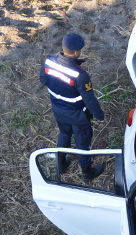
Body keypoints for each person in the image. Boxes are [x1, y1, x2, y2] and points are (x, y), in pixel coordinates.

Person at [40, 33, 105, 183]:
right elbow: (90, 100)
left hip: (58, 109)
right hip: (78, 115)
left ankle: (61, 164)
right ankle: (87, 173)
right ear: (76, 53)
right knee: (82, 142)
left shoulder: (48, 62)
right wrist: (99, 116)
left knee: (64, 134)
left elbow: (43, 81)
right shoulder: (80, 75)